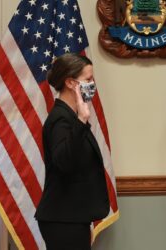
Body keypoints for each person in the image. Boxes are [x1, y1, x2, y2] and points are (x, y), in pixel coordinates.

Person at [35, 53, 110, 250]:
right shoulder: (61, 119)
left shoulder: (70, 117)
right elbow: (64, 162)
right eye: (88, 79)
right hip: (62, 218)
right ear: (70, 82)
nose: (92, 84)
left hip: (73, 217)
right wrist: (82, 120)